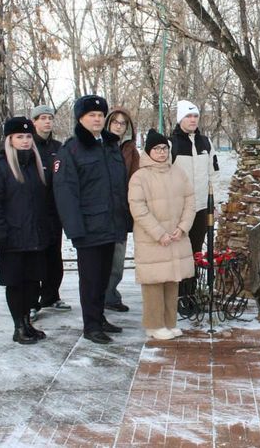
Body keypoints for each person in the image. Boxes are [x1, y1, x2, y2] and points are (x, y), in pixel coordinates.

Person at [53, 95, 130, 344]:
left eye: (100, 115)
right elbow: (66, 193)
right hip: (88, 227)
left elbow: (118, 186)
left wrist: (123, 219)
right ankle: (91, 325)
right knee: (90, 279)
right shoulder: (71, 150)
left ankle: (100, 318)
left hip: (111, 224)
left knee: (104, 275)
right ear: (81, 118)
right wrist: (75, 230)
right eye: (91, 116)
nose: (97, 119)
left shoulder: (110, 146)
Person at [0, 117, 51, 344]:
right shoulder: (0, 167)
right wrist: (2, 234)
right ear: (10, 140)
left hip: (35, 238)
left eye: (28, 137)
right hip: (12, 238)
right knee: (16, 284)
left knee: (32, 283)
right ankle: (18, 326)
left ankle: (27, 323)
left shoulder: (35, 166)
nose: (24, 141)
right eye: (19, 137)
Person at [128, 130, 196, 339]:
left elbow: (190, 201)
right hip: (153, 240)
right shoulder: (140, 176)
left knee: (172, 281)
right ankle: (154, 325)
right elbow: (138, 208)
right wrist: (159, 233)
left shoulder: (178, 173)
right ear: (149, 152)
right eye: (156, 149)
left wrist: (183, 227)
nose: (161, 152)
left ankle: (169, 322)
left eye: (164, 148)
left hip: (176, 237)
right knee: (154, 283)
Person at [169, 100, 218, 316]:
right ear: (180, 119)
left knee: (195, 253)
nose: (192, 120)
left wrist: (213, 205)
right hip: (178, 210)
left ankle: (190, 293)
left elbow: (213, 175)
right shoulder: (171, 145)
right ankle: (177, 295)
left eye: (195, 116)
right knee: (179, 253)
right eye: (188, 116)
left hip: (200, 208)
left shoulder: (206, 143)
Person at [30, 105, 71, 319]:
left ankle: (51, 295)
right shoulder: (28, 146)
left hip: (55, 210)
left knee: (54, 256)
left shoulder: (58, 147)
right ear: (34, 122)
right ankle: (32, 301)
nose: (47, 122)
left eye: (49, 118)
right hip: (34, 210)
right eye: (42, 118)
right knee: (37, 257)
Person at [103, 107, 140, 313]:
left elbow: (135, 179)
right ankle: (98, 296)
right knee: (100, 259)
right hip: (101, 211)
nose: (118, 126)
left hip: (121, 211)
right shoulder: (99, 146)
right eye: (115, 122)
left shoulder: (130, 151)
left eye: (123, 123)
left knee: (117, 259)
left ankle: (111, 294)